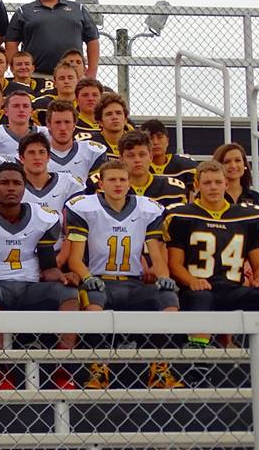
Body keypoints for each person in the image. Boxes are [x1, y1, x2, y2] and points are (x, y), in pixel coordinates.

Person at [0, 163, 79, 388]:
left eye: (17, 183)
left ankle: (63, 368)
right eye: (4, 183)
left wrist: (64, 276)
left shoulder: (42, 217)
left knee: (69, 293)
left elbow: (48, 267)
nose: (11, 188)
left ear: (25, 187)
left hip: (31, 286)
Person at [66, 160, 181, 390]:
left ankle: (160, 367)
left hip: (134, 283)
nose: (118, 184)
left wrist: (164, 277)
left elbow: (157, 256)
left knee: (168, 298)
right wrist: (87, 278)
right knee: (93, 300)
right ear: (101, 184)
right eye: (112, 179)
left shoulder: (147, 209)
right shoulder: (85, 208)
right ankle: (98, 369)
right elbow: (75, 259)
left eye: (122, 179)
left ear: (130, 183)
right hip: (100, 281)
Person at [165, 161, 259, 342]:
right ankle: (199, 352)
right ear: (197, 185)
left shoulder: (246, 217)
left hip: (234, 288)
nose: (213, 187)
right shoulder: (183, 216)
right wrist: (192, 281)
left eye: (218, 182)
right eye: (207, 183)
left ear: (226, 184)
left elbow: (258, 262)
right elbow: (174, 264)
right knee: (202, 299)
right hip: (199, 289)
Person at [5, 0, 100, 77]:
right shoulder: (23, 11)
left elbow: (92, 40)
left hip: (73, 76)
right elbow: (11, 42)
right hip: (36, 75)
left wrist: (92, 71)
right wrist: (16, 70)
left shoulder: (78, 9)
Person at [18, 132, 85, 266]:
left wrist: (59, 261)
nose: (37, 157)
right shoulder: (13, 185)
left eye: (42, 152)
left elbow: (73, 230)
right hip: (22, 256)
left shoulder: (69, 183)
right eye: (31, 153)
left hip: (59, 253)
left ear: (49, 157)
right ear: (21, 158)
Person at [44, 100, 107, 182]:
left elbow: (98, 186)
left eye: (67, 122)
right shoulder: (37, 155)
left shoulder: (92, 151)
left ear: (74, 125)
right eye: (58, 122)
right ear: (49, 125)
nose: (63, 128)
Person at [0, 90, 45, 158]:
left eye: (25, 106)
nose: (21, 110)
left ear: (31, 111)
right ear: (6, 111)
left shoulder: (46, 133)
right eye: (16, 106)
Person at [141, 118, 198, 188]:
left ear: (167, 141)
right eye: (150, 138)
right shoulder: (138, 166)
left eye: (159, 137)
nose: (155, 142)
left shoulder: (186, 166)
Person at [31, 62, 80, 126]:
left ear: (77, 81)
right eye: (62, 78)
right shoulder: (41, 105)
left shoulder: (85, 104)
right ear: (55, 83)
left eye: (70, 78)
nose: (66, 81)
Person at [89, 92, 134, 159]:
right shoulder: (90, 144)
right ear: (100, 122)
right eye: (109, 114)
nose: (115, 117)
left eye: (118, 113)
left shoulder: (137, 143)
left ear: (125, 119)